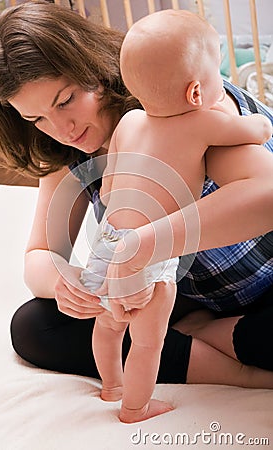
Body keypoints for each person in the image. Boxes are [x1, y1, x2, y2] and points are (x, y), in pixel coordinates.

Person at [0, 1, 273, 398]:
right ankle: (229, 366)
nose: (60, 129)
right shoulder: (69, 150)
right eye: (36, 119)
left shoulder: (178, 107)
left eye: (64, 101)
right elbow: (40, 254)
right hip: (189, 291)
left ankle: (210, 334)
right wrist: (66, 281)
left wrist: (144, 245)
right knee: (35, 327)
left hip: (264, 283)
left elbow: (266, 196)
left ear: (95, 69)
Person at [78, 9, 271, 423]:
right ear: (197, 93)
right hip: (150, 252)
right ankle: (135, 406)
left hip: (109, 238)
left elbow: (109, 185)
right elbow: (258, 131)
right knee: (148, 341)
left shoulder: (128, 121)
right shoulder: (201, 123)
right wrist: (239, 118)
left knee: (109, 325)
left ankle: (110, 384)